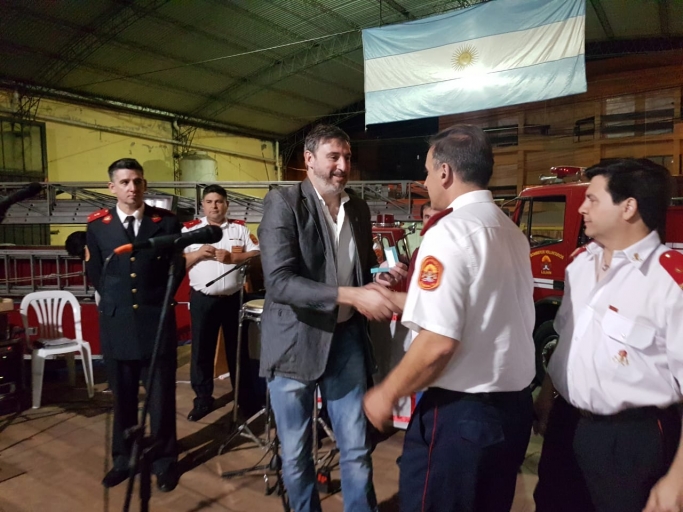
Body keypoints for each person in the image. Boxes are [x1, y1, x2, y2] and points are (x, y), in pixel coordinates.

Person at [364, 124, 535, 512]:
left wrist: (386, 393)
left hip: (462, 417)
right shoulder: (510, 231)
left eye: (427, 171)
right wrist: (399, 300)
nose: (426, 181)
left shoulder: (450, 232)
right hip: (511, 412)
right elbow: (481, 308)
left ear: (445, 172)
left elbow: (439, 340)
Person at [257, 124, 404, 512]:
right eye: (334, 157)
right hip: (294, 343)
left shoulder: (356, 206)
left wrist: (379, 277)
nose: (343, 166)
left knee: (356, 446)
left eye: (348, 157)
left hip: (346, 340)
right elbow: (279, 282)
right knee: (295, 453)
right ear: (309, 160)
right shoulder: (284, 204)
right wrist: (349, 294)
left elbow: (363, 266)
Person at [533, 159, 683, 512]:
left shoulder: (668, 283)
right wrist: (547, 397)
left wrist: (676, 480)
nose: (582, 207)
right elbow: (567, 339)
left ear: (628, 206)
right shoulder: (580, 265)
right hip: (566, 424)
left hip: (631, 438)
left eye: (593, 199)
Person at [86, 158, 185, 492]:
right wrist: (119, 304)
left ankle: (164, 461)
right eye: (125, 182)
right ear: (111, 187)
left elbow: (176, 268)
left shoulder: (167, 223)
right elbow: (96, 273)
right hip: (117, 326)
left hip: (156, 325)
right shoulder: (98, 226)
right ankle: (123, 459)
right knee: (123, 399)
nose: (133, 188)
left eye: (138, 181)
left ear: (144, 185)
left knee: (161, 401)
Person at [182, 184, 260, 421]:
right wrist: (196, 254)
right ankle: (203, 400)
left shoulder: (239, 229)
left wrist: (233, 257)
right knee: (201, 352)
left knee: (238, 351)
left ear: (226, 204)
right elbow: (176, 264)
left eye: (219, 201)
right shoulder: (190, 232)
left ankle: (244, 401)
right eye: (209, 202)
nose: (214, 206)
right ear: (202, 205)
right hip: (202, 300)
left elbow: (257, 255)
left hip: (234, 299)